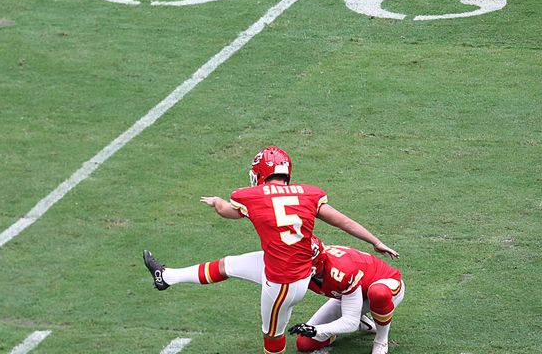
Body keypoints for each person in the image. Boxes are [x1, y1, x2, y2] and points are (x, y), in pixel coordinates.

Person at [143, 146, 398, 354]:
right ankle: (166, 277)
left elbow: (226, 211)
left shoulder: (252, 195)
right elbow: (345, 221)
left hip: (285, 280)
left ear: (261, 173)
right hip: (281, 264)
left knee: (272, 338)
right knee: (227, 265)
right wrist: (374, 241)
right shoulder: (308, 194)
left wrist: (217, 202)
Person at [144, 236, 404, 354]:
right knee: (304, 344)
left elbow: (347, 313)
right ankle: (168, 276)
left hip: (382, 286)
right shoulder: (295, 263)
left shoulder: (339, 271)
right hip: (348, 296)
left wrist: (319, 329)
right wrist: (315, 333)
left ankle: (380, 340)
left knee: (377, 293)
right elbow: (230, 266)